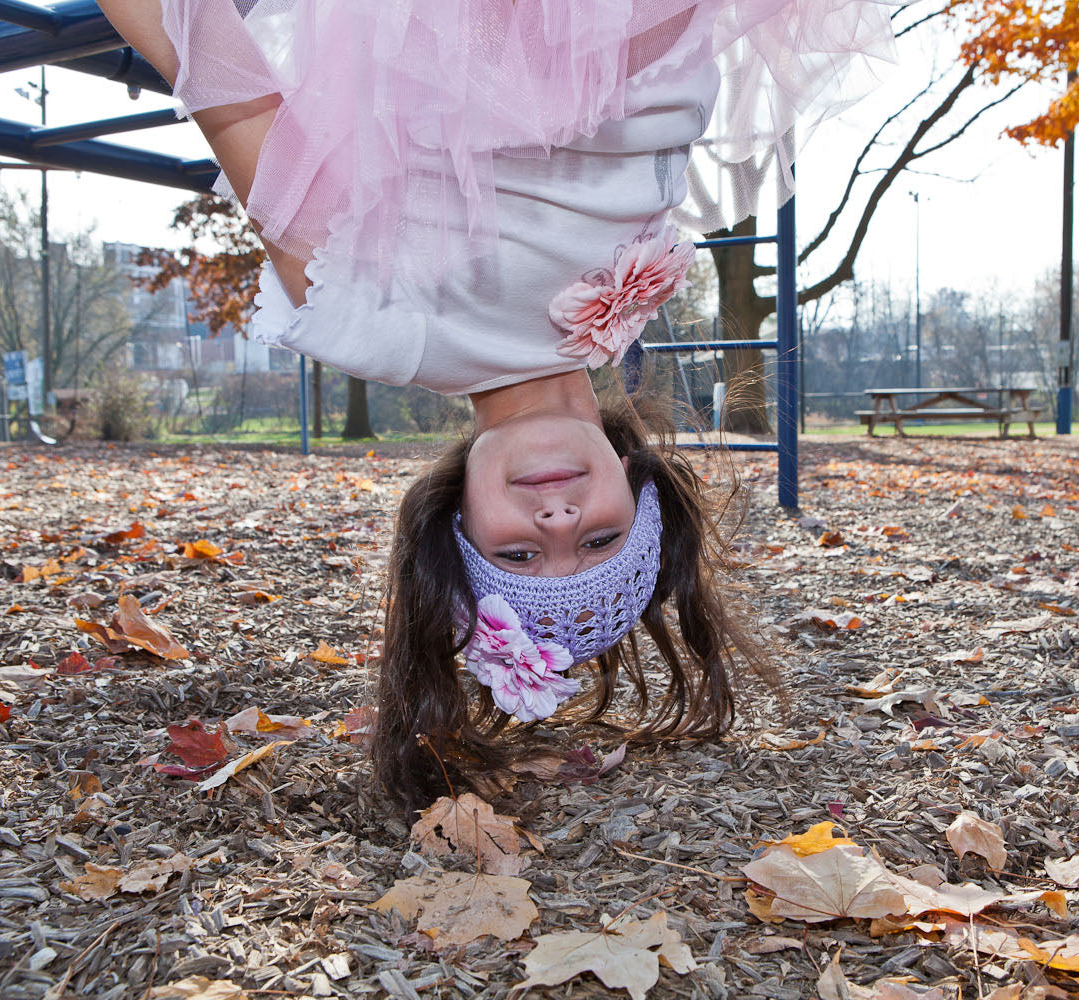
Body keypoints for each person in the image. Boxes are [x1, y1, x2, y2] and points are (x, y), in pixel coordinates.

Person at [94, 0, 894, 812]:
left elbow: (204, 61)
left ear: (459, 522)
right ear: (635, 480)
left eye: (519, 559)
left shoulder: (376, 324)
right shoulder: (640, 292)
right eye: (601, 537)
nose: (557, 527)